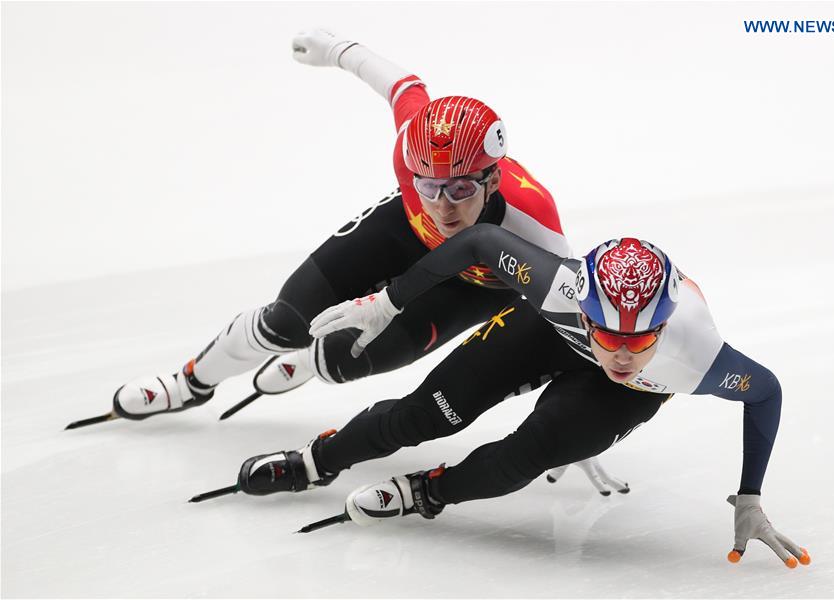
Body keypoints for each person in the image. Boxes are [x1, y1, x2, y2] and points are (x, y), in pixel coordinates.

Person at [229, 224, 810, 569]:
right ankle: (317, 461)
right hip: (550, 332)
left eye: (640, 339)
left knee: (525, 456)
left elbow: (767, 393)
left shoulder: (698, 355)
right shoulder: (557, 286)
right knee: (426, 414)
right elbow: (480, 241)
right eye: (607, 334)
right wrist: (389, 301)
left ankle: (425, 493)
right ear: (583, 306)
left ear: (664, 326)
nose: (621, 354)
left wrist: (749, 496)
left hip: (627, 394)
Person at [109, 29, 570, 420]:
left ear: (493, 180)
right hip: (405, 234)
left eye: (461, 190)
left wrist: (563, 409)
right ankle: (189, 383)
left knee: (344, 359)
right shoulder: (412, 147)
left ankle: (310, 362)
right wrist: (336, 49)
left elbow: (574, 316)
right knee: (284, 322)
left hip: (476, 286)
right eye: (429, 187)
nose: (443, 207)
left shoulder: (534, 224)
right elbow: (403, 86)